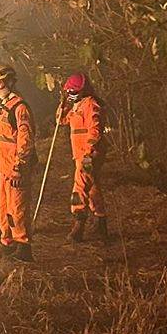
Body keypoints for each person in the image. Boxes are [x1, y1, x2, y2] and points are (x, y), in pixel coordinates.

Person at [0, 64, 37, 262]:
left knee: (18, 209)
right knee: (3, 208)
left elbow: (25, 140)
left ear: (10, 82)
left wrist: (19, 166)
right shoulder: (5, 106)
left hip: (16, 169)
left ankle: (23, 248)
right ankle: (8, 244)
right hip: (3, 167)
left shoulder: (19, 107)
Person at [56, 72, 109, 243]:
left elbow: (95, 131)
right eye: (69, 91)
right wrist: (63, 103)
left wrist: (88, 154)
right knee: (92, 188)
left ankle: (78, 224)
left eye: (74, 91)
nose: (71, 94)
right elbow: (61, 120)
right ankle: (101, 223)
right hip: (80, 154)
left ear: (83, 90)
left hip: (89, 156)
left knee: (79, 187)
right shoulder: (76, 106)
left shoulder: (91, 105)